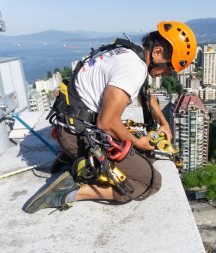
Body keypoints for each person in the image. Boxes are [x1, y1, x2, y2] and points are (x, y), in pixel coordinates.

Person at [24, 21, 197, 213]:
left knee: (146, 156)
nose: (165, 73)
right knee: (149, 182)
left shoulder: (128, 53)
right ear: (157, 52)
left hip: (72, 128)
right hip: (79, 136)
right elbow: (106, 123)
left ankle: (73, 162)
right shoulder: (134, 68)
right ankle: (68, 192)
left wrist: (164, 124)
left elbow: (145, 95)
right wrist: (138, 143)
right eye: (169, 67)